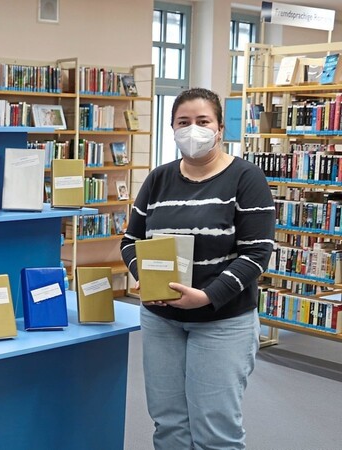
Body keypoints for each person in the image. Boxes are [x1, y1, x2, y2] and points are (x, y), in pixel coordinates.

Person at [120, 88, 275, 450]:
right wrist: (145, 276)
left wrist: (207, 296)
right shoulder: (158, 178)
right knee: (168, 422)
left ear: (220, 128)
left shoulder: (246, 178)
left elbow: (256, 254)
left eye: (203, 121)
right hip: (160, 320)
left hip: (223, 322)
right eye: (183, 122)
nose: (193, 130)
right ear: (172, 129)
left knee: (215, 428)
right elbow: (130, 240)